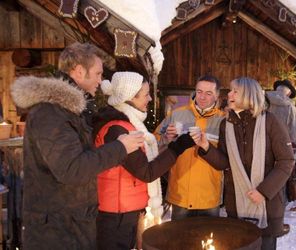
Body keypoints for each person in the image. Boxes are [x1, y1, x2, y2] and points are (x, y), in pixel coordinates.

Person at [10, 42, 145, 250]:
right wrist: (121, 147)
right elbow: (72, 169)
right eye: (98, 74)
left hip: (71, 224)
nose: (101, 80)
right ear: (80, 71)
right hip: (56, 233)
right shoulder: (50, 113)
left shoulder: (70, 111)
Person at [93, 71, 195, 250]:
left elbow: (141, 160)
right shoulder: (118, 130)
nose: (149, 99)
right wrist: (177, 147)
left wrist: (166, 143)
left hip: (124, 211)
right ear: (130, 97)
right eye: (146, 94)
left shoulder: (126, 124)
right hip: (116, 215)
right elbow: (146, 172)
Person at [192, 77, 294, 250]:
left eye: (234, 91)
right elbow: (225, 162)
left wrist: (264, 191)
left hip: (267, 207)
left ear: (248, 94)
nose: (229, 94)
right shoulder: (226, 124)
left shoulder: (271, 122)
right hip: (237, 205)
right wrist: (206, 147)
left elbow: (286, 161)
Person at [156, 75, 225, 220]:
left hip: (209, 196)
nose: (202, 97)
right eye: (199, 92)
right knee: (180, 241)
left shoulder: (223, 120)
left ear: (217, 95)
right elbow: (153, 142)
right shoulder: (176, 115)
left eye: (208, 93)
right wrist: (166, 138)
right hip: (180, 194)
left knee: (209, 241)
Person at [266, 80, 296, 218]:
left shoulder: (264, 100)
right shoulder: (290, 108)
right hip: (282, 146)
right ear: (289, 92)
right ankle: (278, 205)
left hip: (262, 143)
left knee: (264, 172)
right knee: (281, 174)